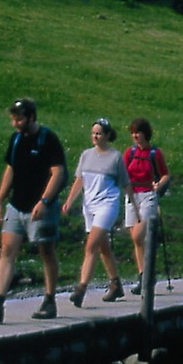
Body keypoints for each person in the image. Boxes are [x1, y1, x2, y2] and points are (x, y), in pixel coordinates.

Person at [0, 98, 67, 323]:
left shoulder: (47, 139)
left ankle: (49, 298)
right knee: (7, 250)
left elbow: (59, 173)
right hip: (17, 205)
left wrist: (44, 201)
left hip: (41, 207)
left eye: (19, 119)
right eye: (13, 119)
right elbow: (11, 170)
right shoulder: (16, 140)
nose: (15, 123)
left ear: (31, 117)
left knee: (46, 251)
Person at [60, 117, 135, 306]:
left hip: (107, 205)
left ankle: (81, 289)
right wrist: (69, 201)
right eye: (94, 133)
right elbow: (80, 180)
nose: (95, 136)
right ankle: (116, 284)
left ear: (108, 135)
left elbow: (126, 183)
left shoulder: (115, 157)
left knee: (91, 246)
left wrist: (135, 206)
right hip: (89, 206)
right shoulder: (86, 155)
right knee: (103, 247)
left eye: (99, 133)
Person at [123, 116, 170, 295]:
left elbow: (165, 174)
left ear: (145, 134)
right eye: (133, 132)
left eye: (138, 132)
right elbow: (123, 171)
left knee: (138, 235)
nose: (135, 136)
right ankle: (144, 274)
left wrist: (159, 185)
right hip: (131, 196)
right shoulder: (130, 153)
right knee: (137, 240)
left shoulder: (154, 153)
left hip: (148, 195)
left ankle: (146, 274)